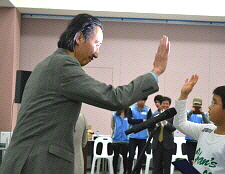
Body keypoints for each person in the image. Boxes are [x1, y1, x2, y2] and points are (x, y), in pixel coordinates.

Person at [0, 13, 170, 174]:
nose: (97, 53)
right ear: (79, 37)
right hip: (37, 163)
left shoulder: (47, 64)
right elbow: (115, 98)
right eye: (97, 44)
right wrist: (155, 72)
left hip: (25, 160)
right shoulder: (64, 66)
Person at [174, 75, 225, 174]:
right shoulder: (206, 130)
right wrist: (184, 95)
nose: (209, 107)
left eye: (214, 103)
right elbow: (180, 123)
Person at [127, 97, 152, 174]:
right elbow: (130, 121)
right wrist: (142, 120)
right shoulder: (131, 109)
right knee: (131, 155)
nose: (142, 102)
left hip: (143, 137)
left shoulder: (148, 109)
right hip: (133, 136)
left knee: (140, 157)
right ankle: (129, 172)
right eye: (141, 100)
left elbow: (149, 122)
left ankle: (138, 172)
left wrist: (137, 121)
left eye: (144, 100)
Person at [151, 96, 176, 174]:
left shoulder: (172, 115)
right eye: (163, 103)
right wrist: (157, 124)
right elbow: (150, 128)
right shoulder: (155, 115)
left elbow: (173, 128)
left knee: (167, 167)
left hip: (168, 145)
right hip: (156, 144)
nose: (165, 105)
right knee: (156, 166)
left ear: (169, 105)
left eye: (167, 104)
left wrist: (166, 123)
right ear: (160, 104)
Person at [185, 97, 210, 164]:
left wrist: (202, 114)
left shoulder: (204, 114)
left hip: (200, 140)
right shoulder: (188, 112)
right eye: (195, 104)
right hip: (189, 140)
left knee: (199, 159)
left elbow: (208, 123)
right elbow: (184, 120)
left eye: (198, 105)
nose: (197, 106)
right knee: (191, 160)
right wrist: (191, 111)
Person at [111, 109, 130, 174]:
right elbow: (112, 126)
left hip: (126, 140)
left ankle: (125, 172)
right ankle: (115, 172)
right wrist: (116, 133)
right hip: (116, 139)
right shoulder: (114, 115)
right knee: (115, 156)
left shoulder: (129, 115)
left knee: (125, 157)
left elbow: (130, 126)